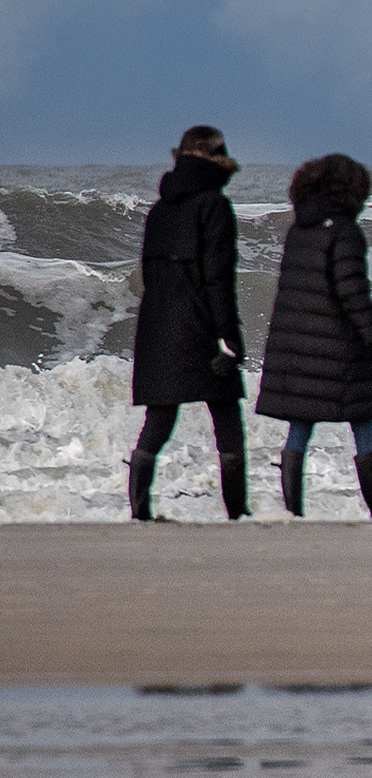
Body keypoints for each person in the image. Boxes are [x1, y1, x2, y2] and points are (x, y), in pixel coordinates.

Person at [254, 153, 372, 518]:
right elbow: (352, 290)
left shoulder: (300, 229)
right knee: (361, 420)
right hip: (337, 346)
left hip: (297, 344)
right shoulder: (344, 231)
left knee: (301, 422)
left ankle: (293, 510)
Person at [129, 125, 250, 520]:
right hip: (200, 326)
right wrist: (229, 338)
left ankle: (139, 512)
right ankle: (236, 513)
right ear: (218, 159)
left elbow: (150, 274)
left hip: (157, 324)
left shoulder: (160, 209)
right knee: (227, 417)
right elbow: (218, 278)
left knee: (159, 418)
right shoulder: (214, 206)